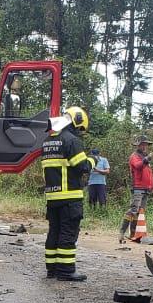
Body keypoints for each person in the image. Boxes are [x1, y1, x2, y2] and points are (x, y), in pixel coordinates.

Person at [40, 106, 93, 282]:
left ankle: (52, 269)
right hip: (70, 197)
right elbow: (82, 167)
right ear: (76, 122)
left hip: (52, 197)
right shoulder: (72, 141)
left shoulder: (48, 140)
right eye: (80, 129)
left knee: (54, 232)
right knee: (68, 233)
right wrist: (92, 160)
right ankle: (66, 270)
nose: (80, 133)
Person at [121, 135, 153, 242]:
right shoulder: (135, 156)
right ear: (138, 145)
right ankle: (122, 232)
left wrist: (151, 185)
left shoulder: (144, 157)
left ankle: (133, 234)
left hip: (146, 188)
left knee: (140, 211)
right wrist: (148, 158)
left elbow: (148, 173)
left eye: (146, 144)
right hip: (138, 187)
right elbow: (138, 166)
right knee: (134, 209)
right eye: (142, 144)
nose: (144, 146)